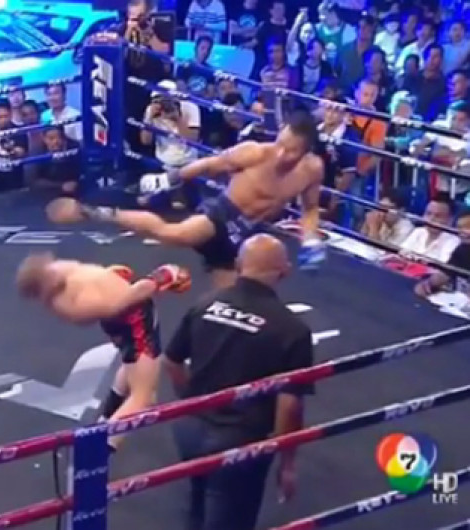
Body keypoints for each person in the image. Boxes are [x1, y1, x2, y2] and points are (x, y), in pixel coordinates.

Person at [47, 109, 325, 288]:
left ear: (306, 151)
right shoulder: (255, 152)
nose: (281, 154)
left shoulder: (312, 170)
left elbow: (310, 209)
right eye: (280, 144)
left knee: (236, 299)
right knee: (175, 234)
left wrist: (311, 239)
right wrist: (167, 180)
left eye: (291, 151)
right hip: (222, 214)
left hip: (245, 234)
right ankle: (96, 212)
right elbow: (207, 165)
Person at [163, 233, 314, 530]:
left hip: (190, 430)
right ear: (284, 271)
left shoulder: (206, 304)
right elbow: (289, 404)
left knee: (197, 505)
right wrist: (286, 463)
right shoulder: (292, 330)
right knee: (230, 519)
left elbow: (171, 361)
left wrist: (191, 403)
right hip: (239, 439)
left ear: (238, 264)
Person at [16, 254, 191, 452]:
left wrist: (111, 276)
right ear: (42, 289)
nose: (55, 273)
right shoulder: (69, 304)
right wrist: (159, 278)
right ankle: (95, 453)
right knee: (144, 397)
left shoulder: (57, 270)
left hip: (129, 322)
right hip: (134, 323)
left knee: (131, 365)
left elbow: (93, 276)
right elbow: (119, 304)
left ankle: (105, 419)